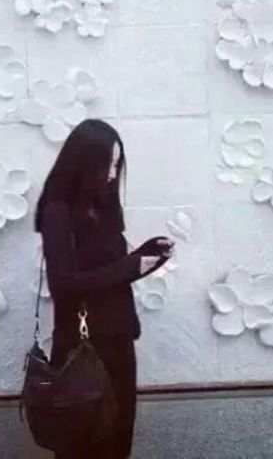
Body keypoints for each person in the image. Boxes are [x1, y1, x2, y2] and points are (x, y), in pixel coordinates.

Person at [34, 118, 174, 459]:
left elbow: (109, 273)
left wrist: (145, 258)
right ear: (84, 163)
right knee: (84, 445)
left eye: (117, 164)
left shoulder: (104, 207)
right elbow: (63, 284)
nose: (113, 174)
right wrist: (128, 267)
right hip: (82, 346)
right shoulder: (57, 212)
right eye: (107, 165)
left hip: (118, 340)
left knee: (118, 442)